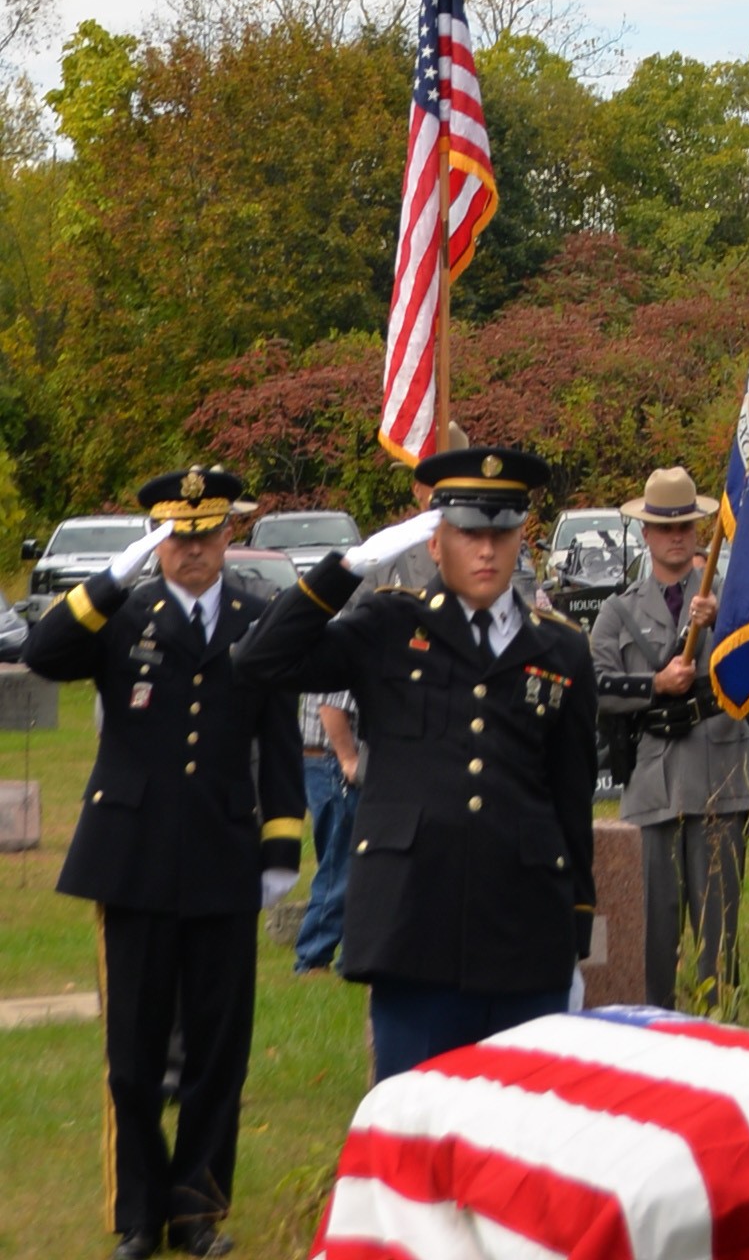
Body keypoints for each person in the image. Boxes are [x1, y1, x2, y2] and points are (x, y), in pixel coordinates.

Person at [236, 440, 597, 1082]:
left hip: (526, 929)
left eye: (501, 531)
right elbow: (261, 660)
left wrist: (575, 932)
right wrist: (343, 569)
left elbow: (569, 798)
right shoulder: (387, 628)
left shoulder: (561, 652)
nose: (485, 550)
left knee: (522, 1141)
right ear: (435, 543)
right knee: (415, 1132)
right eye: (466, 533)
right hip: (412, 923)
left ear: (521, 539)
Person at [25, 462, 305, 1258]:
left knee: (219, 1051)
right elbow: (44, 652)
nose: (193, 549)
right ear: (159, 540)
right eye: (177, 536)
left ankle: (198, 1209)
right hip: (133, 857)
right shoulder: (123, 615)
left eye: (206, 532)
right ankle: (140, 1215)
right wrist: (113, 574)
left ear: (230, 534)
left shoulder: (259, 619)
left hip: (223, 855)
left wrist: (280, 844)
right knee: (133, 1056)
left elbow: (278, 744)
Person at [591, 462, 749, 1011]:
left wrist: (725, 622)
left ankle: (719, 1027)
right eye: (665, 527)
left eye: (686, 527)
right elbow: (593, 686)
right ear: (646, 534)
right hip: (654, 781)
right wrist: (655, 683)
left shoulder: (731, 600)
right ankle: (654, 1029)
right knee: (652, 933)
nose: (676, 537)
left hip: (718, 775)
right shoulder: (618, 610)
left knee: (719, 932)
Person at [293, 675, 361, 975]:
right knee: (340, 865)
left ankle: (351, 957)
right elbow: (332, 705)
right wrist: (348, 759)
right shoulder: (351, 629)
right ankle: (312, 957)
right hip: (334, 762)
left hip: (325, 762)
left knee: (349, 864)